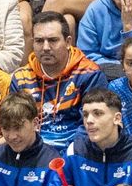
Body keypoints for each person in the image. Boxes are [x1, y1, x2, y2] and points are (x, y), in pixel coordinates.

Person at [11, 10, 106, 150]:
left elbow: (93, 124)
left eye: (53, 40)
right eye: (39, 41)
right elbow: (14, 123)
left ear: (68, 42)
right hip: (32, 152)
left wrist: (69, 154)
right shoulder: (20, 78)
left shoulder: (89, 74)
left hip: (76, 152)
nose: (45, 47)